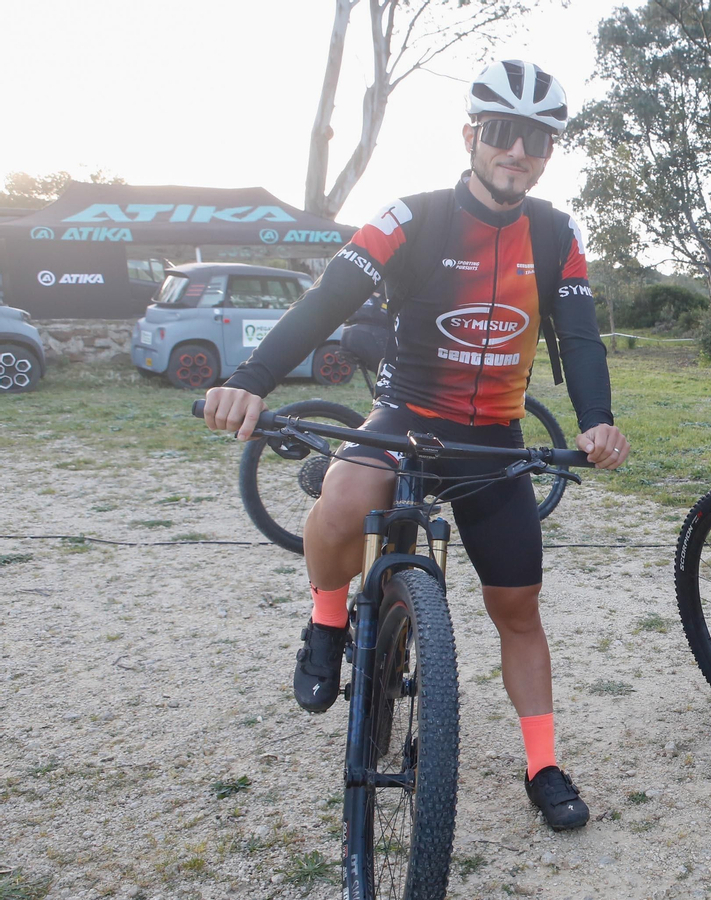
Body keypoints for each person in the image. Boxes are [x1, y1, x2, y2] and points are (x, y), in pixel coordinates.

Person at [200, 60, 627, 832]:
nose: (517, 151)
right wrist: (251, 379)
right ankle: (328, 618)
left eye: (535, 138)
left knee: (519, 608)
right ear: (471, 136)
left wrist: (597, 418)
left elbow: (582, 337)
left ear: (549, 150)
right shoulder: (410, 218)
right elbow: (328, 298)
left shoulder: (557, 234)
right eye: (501, 133)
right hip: (406, 414)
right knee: (343, 494)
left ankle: (543, 764)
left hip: (492, 434)